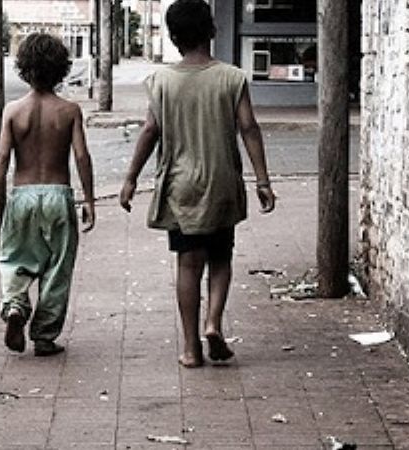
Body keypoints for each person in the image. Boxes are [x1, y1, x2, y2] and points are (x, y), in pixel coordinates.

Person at [119, 0, 275, 368]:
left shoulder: (160, 82)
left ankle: (190, 348)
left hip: (181, 186)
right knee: (221, 256)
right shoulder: (232, 77)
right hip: (222, 180)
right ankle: (213, 323)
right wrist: (263, 180)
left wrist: (130, 179)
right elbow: (249, 127)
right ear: (213, 31)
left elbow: (149, 131)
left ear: (172, 38)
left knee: (188, 264)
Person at [0, 33, 96, 357]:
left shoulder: (13, 111)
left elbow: (0, 158)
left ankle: (16, 307)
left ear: (24, 69)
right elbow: (81, 157)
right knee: (58, 268)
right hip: (59, 196)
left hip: (21, 195)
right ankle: (45, 336)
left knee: (15, 259)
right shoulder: (70, 110)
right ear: (62, 69)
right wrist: (88, 199)